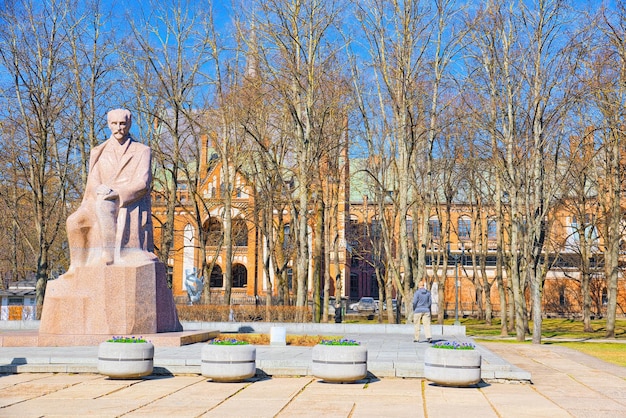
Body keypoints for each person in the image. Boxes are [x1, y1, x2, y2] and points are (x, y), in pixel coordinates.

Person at [65, 108, 156, 274]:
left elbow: (142, 182)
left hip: (125, 200)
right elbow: (92, 181)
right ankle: (76, 267)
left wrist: (118, 193)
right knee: (73, 221)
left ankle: (108, 253)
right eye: (114, 123)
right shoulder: (99, 151)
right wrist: (100, 188)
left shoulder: (142, 151)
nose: (118, 127)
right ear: (109, 125)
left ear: (129, 124)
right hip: (98, 197)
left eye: (122, 123)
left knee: (104, 205)